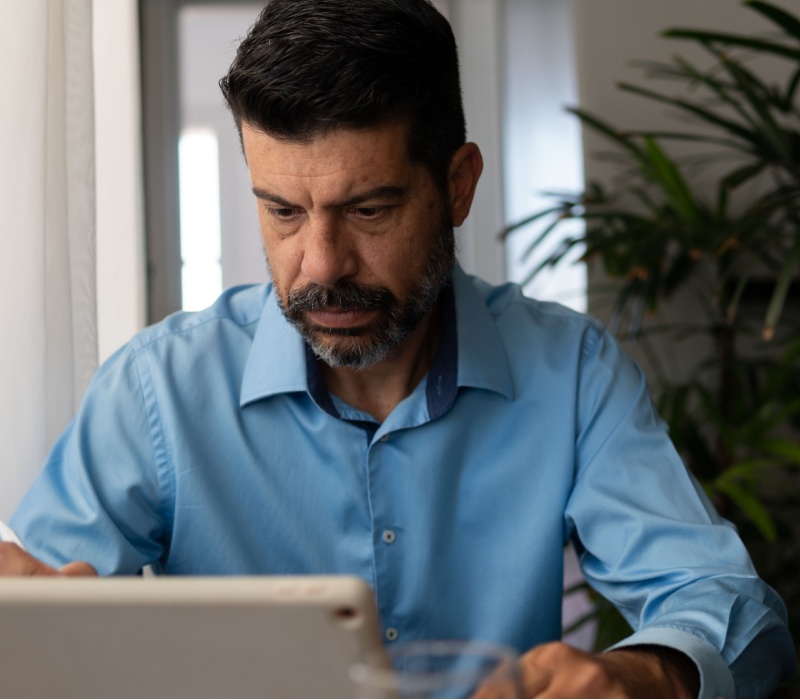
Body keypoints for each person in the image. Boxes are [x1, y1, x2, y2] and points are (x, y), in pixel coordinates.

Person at [0, 0, 795, 696]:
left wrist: (650, 675)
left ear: (457, 185)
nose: (320, 266)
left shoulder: (571, 372)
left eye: (369, 210)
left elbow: (732, 610)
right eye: (281, 212)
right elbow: (36, 617)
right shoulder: (157, 390)